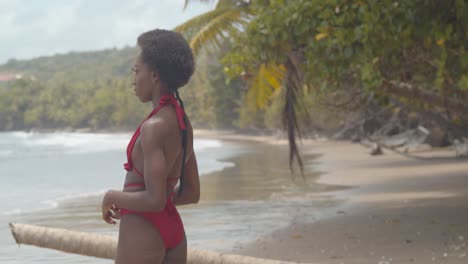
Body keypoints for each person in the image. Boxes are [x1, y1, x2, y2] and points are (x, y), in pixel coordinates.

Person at [101, 29, 200, 264]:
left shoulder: (153, 128)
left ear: (154, 76)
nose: (134, 80)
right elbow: (191, 193)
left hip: (143, 228)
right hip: (173, 230)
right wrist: (160, 197)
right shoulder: (184, 124)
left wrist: (112, 196)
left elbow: (153, 201)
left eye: (136, 71)